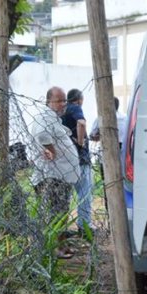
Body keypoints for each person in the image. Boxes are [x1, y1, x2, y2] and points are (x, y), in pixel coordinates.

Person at [29, 86, 80, 258]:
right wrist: (52, 150)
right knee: (55, 214)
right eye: (59, 100)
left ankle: (62, 246)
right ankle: (55, 248)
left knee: (61, 213)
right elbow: (43, 135)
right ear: (48, 101)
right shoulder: (44, 116)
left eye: (64, 100)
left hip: (61, 176)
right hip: (51, 176)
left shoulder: (54, 119)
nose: (63, 104)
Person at [62, 88, 93, 235]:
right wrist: (81, 142)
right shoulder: (75, 108)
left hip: (65, 160)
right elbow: (81, 123)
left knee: (65, 196)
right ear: (80, 99)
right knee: (84, 194)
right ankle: (84, 227)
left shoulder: (62, 111)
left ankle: (62, 229)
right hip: (80, 160)